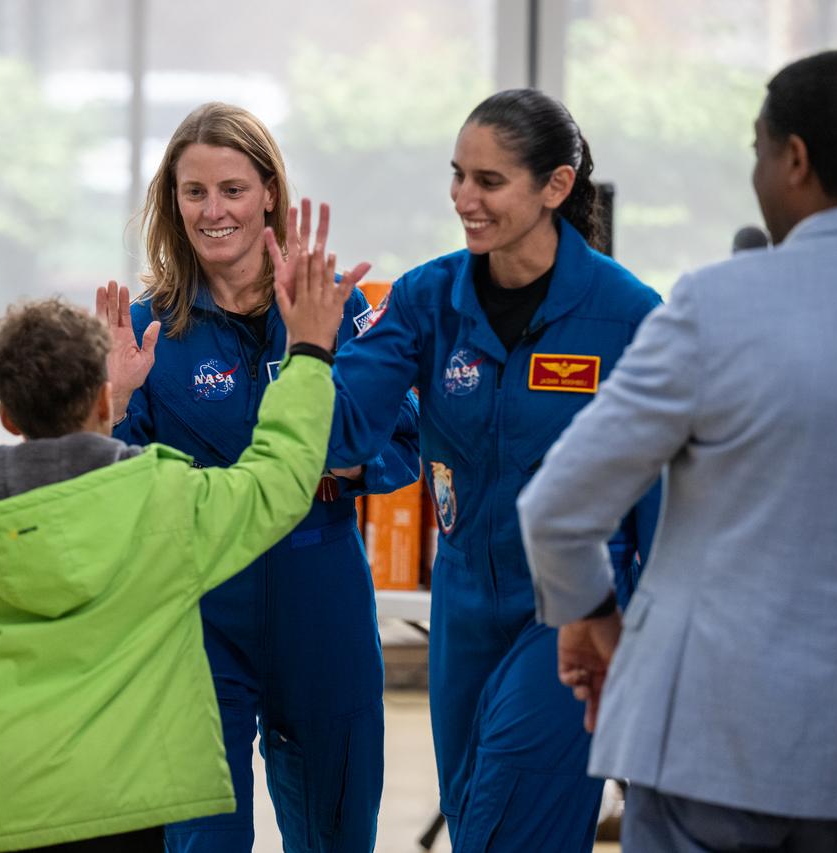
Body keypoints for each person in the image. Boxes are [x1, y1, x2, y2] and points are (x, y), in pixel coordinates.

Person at [0, 241, 357, 853]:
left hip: (11, 817)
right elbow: (280, 478)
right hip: (136, 812)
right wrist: (308, 354)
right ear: (102, 397)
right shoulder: (163, 500)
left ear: (6, 415)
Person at [518, 49, 837, 853]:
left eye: (758, 151)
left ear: (794, 158)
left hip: (705, 743)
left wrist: (593, 617)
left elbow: (558, 505)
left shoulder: (719, 303)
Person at [320, 89, 661, 851]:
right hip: (465, 602)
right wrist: (315, 347)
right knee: (475, 814)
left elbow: (662, 492)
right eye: (457, 175)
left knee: (512, 822)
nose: (463, 199)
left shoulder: (628, 315)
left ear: (556, 187)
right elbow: (341, 439)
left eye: (489, 181)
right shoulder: (424, 298)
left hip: (576, 607)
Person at [101, 101, 420, 853]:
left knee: (337, 835)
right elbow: (115, 486)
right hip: (197, 606)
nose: (214, 211)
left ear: (270, 191)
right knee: (201, 839)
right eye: (194, 192)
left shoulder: (333, 303)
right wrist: (110, 404)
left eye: (233, 189)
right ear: (172, 204)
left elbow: (408, 434)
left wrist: (342, 460)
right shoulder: (148, 327)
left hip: (323, 598)